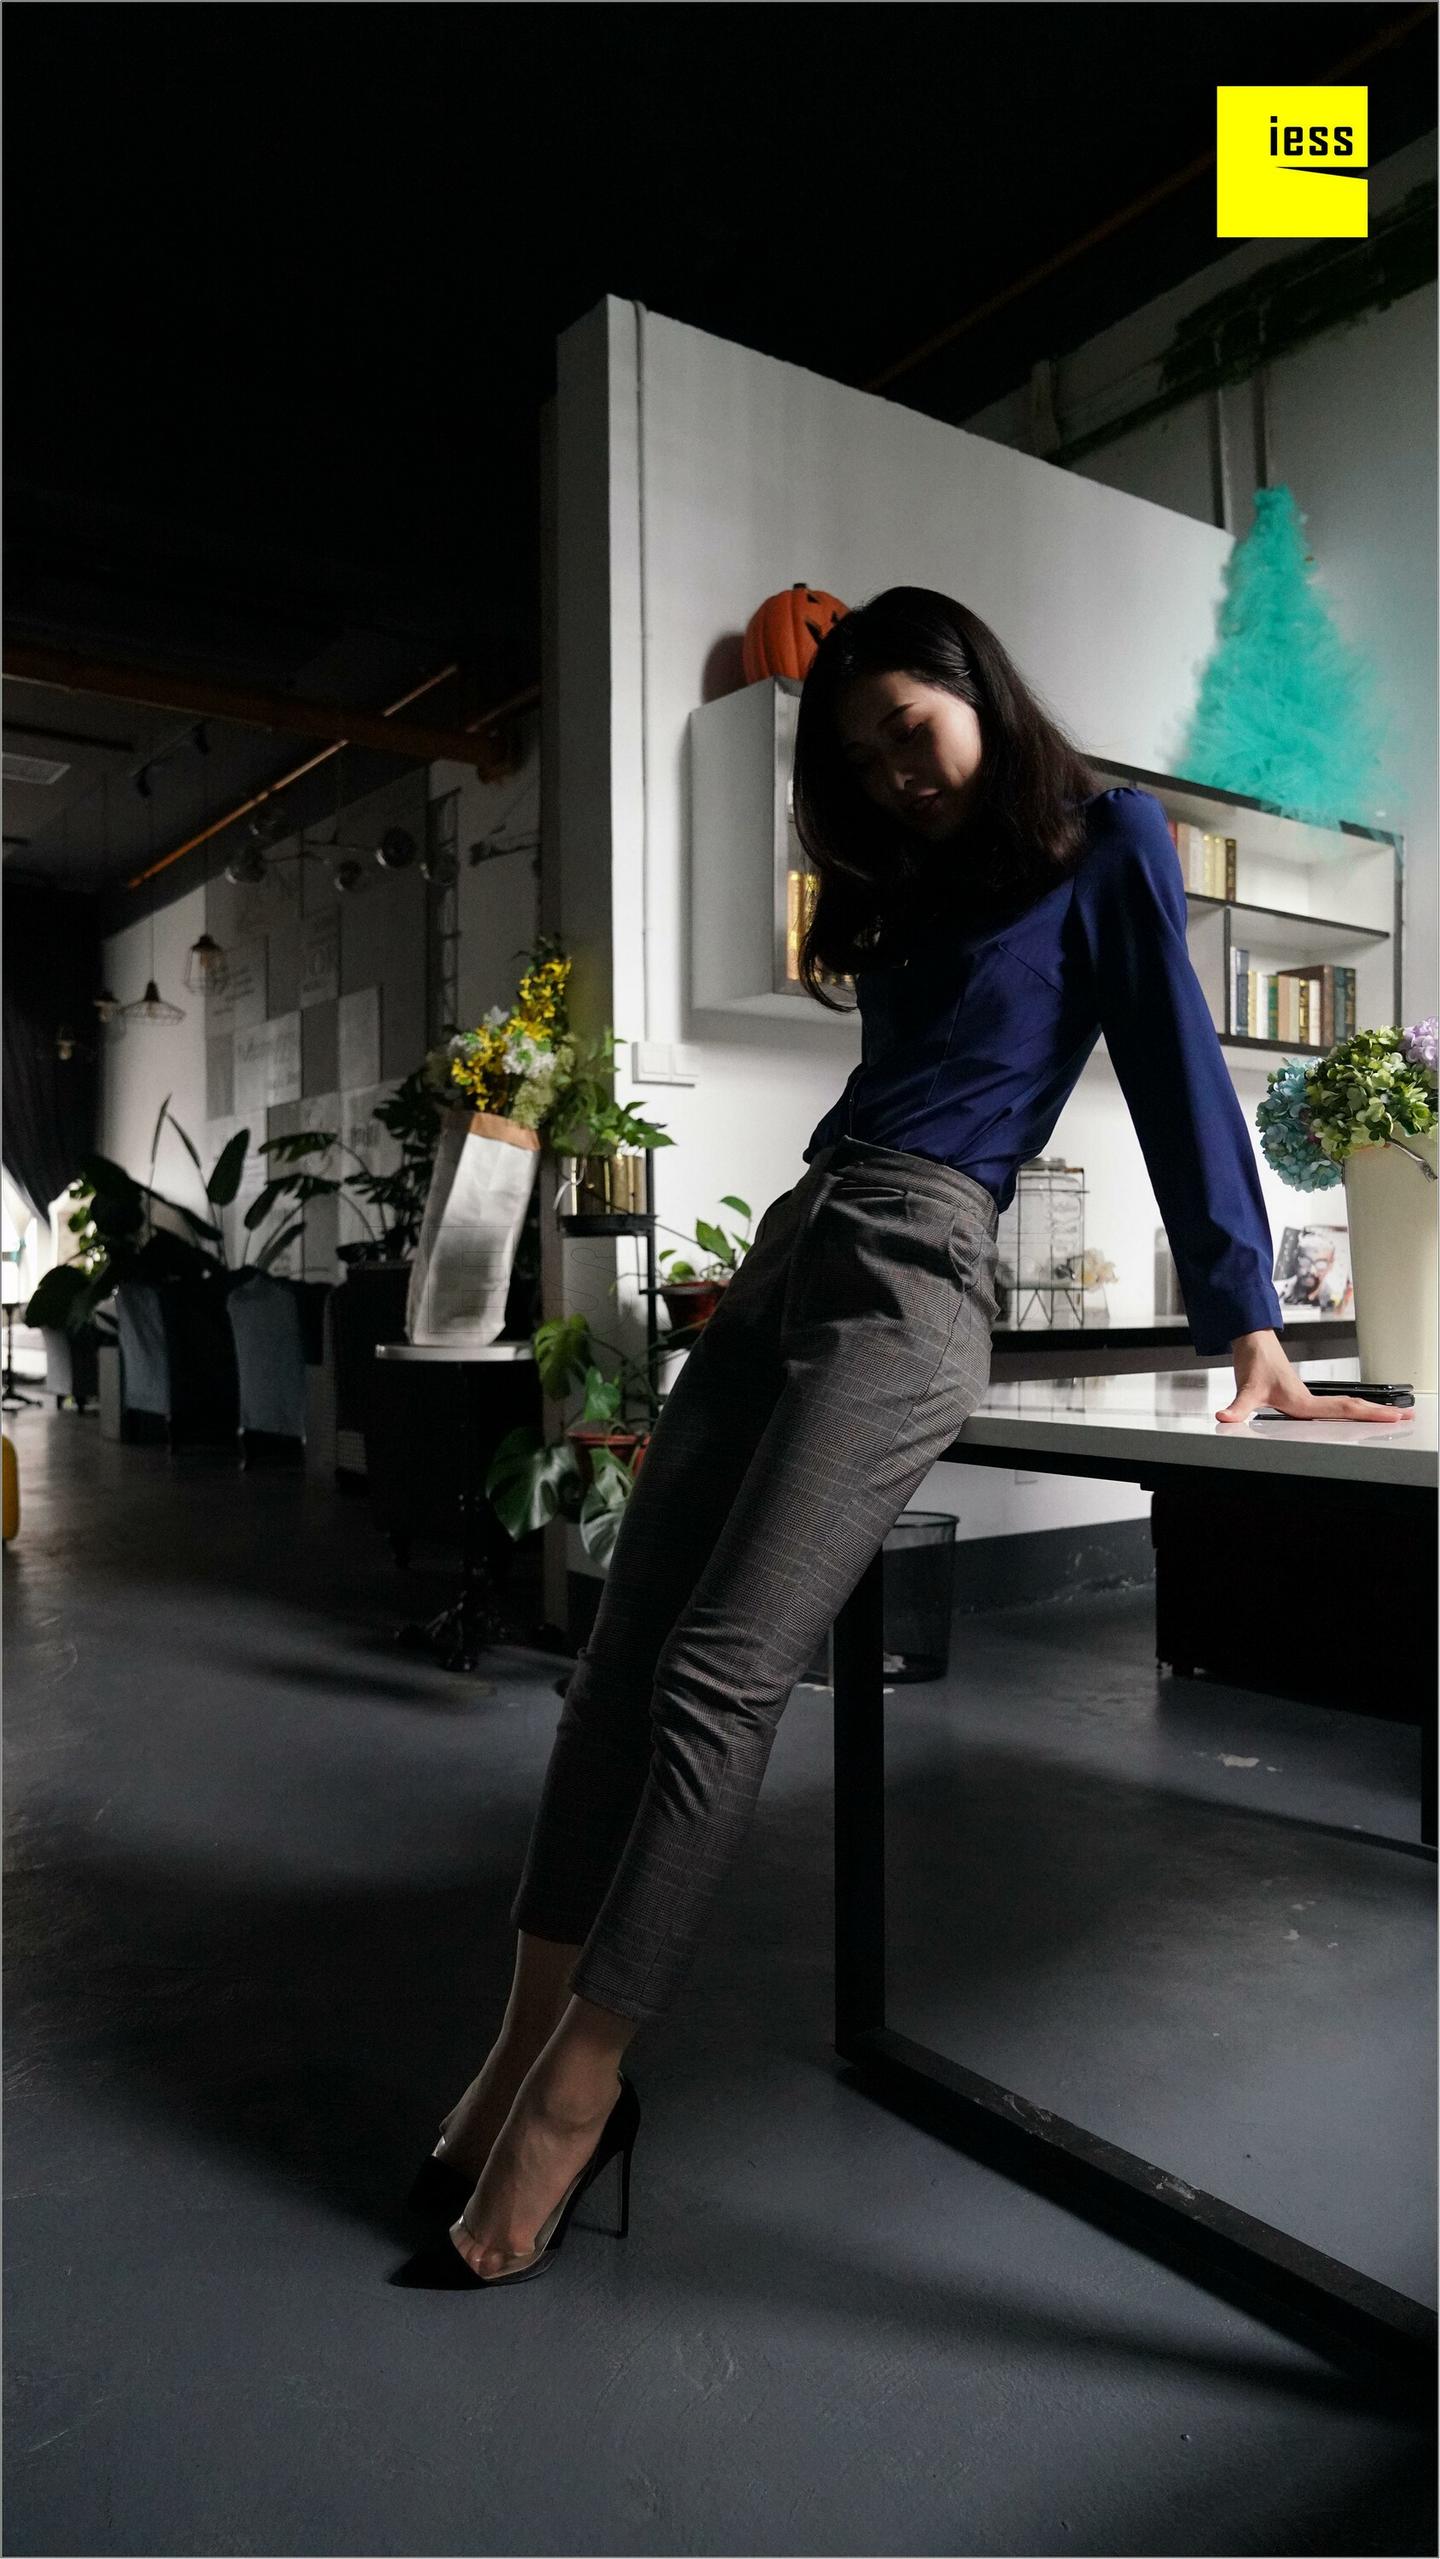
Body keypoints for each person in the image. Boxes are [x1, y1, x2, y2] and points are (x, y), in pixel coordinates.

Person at [405, 585, 1405, 2289]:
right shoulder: (916, 886)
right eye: (862, 763)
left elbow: (1177, 1067)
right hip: (797, 1244)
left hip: (917, 1269)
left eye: (908, 733)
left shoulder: (1110, 839)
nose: (897, 776)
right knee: (617, 1664)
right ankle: (515, 2049)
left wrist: (1255, 1322)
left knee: (722, 1677)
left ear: (976, 691)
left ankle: (581, 2094)